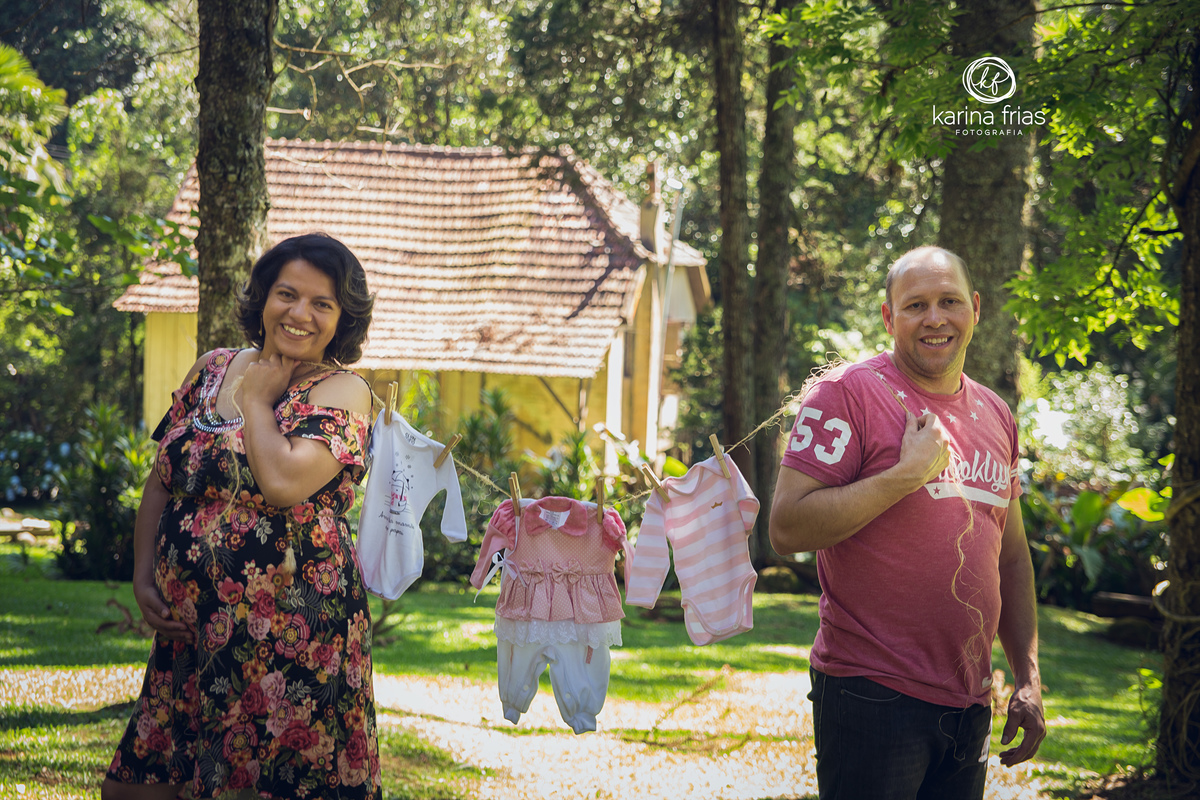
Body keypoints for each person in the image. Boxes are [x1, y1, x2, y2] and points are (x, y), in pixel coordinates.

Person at [102, 233, 380, 800]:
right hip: (192, 630)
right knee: (133, 788)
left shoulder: (344, 391)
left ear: (342, 319)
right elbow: (165, 475)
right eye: (287, 294)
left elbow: (279, 482)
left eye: (322, 304)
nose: (300, 313)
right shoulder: (212, 368)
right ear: (262, 298)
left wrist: (257, 401)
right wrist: (142, 575)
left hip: (292, 634)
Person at [769, 246, 1045, 799]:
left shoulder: (996, 414)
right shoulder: (847, 394)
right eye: (916, 305)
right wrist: (904, 475)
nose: (935, 318)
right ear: (888, 317)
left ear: (976, 309)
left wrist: (1028, 677)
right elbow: (787, 528)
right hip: (872, 693)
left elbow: (1011, 557)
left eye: (950, 301)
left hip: (970, 700)